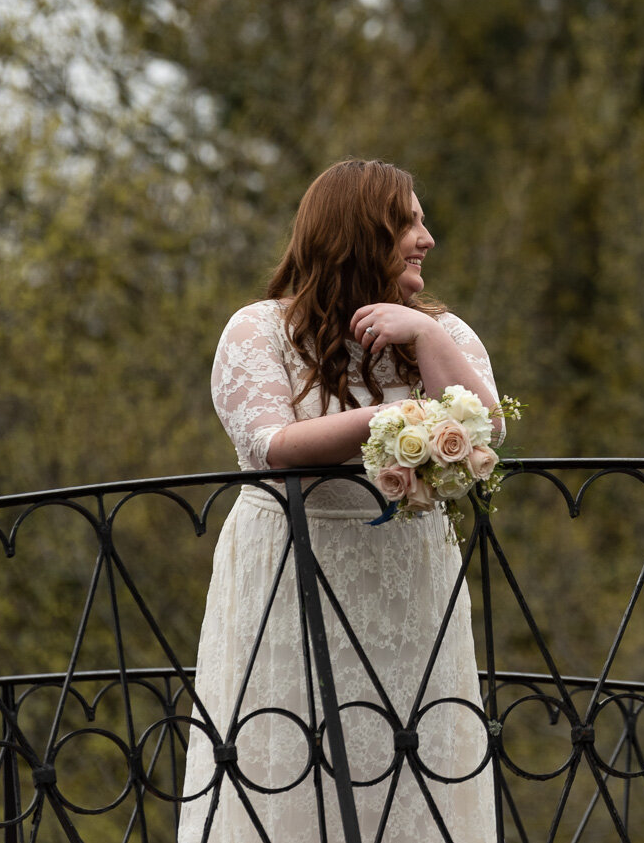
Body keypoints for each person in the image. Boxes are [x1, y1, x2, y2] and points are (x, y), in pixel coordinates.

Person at [178, 159, 499, 843]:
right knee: (290, 767)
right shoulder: (258, 331)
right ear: (359, 232)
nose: (428, 237)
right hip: (290, 584)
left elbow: (486, 427)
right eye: (408, 220)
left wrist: (430, 338)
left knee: (414, 768)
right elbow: (274, 444)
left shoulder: (444, 334)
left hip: (411, 590)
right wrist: (397, 422)